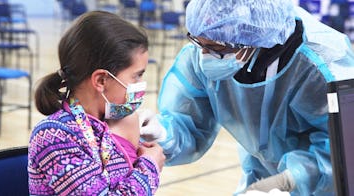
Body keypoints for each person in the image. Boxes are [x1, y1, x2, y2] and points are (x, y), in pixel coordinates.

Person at [138, 0, 354, 195]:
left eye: (215, 49)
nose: (204, 56)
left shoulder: (322, 67)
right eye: (200, 44)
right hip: (259, 177)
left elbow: (344, 149)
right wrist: (162, 132)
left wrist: (289, 180)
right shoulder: (203, 51)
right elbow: (189, 124)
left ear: (253, 40)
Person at [28, 11, 165, 195]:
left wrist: (153, 144)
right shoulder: (55, 136)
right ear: (101, 80)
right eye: (137, 75)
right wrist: (150, 166)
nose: (141, 85)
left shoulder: (114, 121)